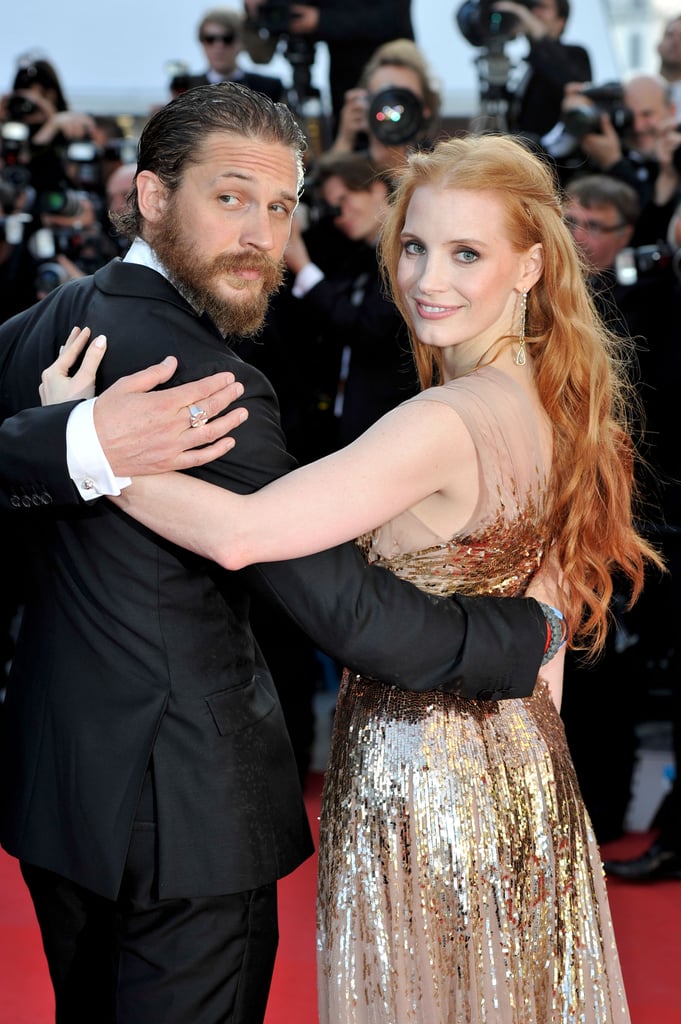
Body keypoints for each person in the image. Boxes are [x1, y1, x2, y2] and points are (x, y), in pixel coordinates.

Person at [66, 132, 660, 1022]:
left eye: (467, 253)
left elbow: (239, 535)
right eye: (415, 247)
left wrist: (88, 441)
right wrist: (538, 797)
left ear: (529, 266)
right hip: (526, 771)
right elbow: (548, 642)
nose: (429, 279)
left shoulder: (439, 422)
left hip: (422, 780)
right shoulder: (551, 399)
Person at [170, 6, 285, 102]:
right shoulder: (186, 87)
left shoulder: (268, 88)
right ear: (202, 42)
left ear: (243, 42)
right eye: (210, 39)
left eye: (227, 39)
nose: (219, 46)